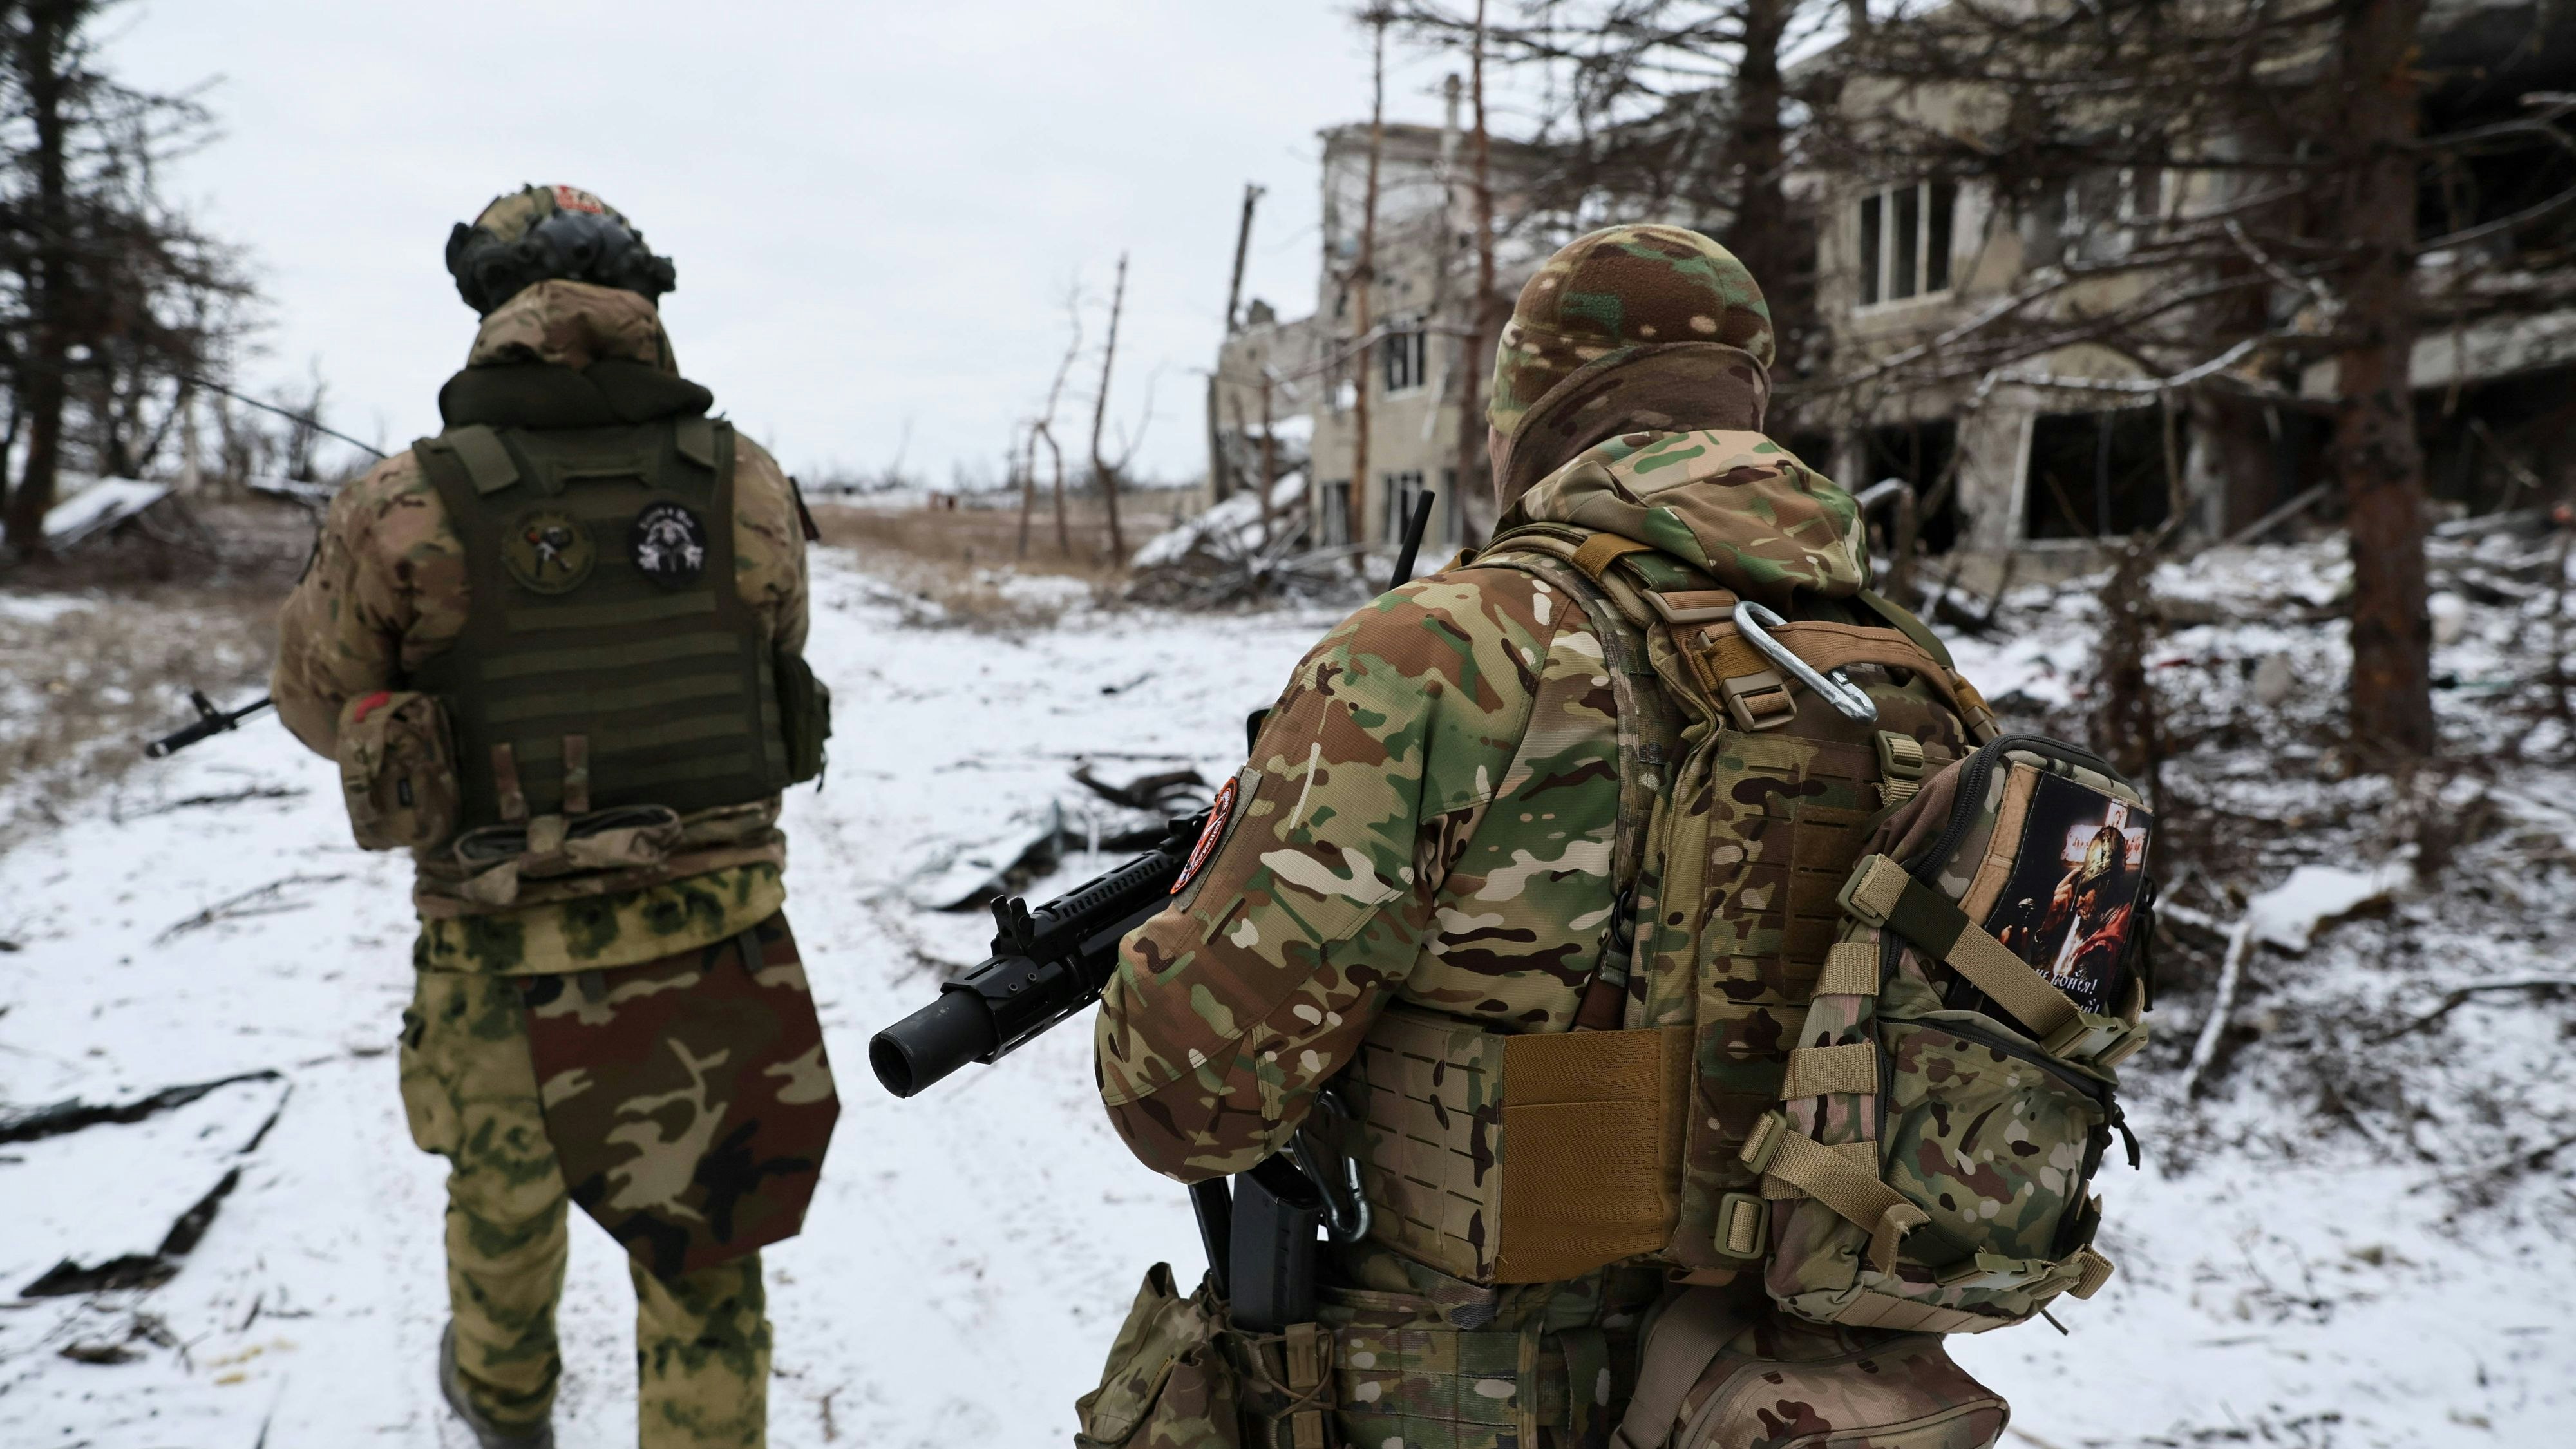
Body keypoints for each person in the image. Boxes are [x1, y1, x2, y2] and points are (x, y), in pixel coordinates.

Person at [1086, 224, 2011, 1446]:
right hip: (1774, 1401)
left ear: (1531, 406)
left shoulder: (1450, 648)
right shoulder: (1916, 684)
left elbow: (1190, 1101)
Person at [272, 184, 837, 1449]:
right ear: (643, 297)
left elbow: (317, 705)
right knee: (707, 1277)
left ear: (488, 304)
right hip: (717, 949)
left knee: (500, 1226)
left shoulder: (398, 502)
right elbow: (775, 658)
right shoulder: (743, 482)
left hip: (497, 960)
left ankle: (504, 1410)